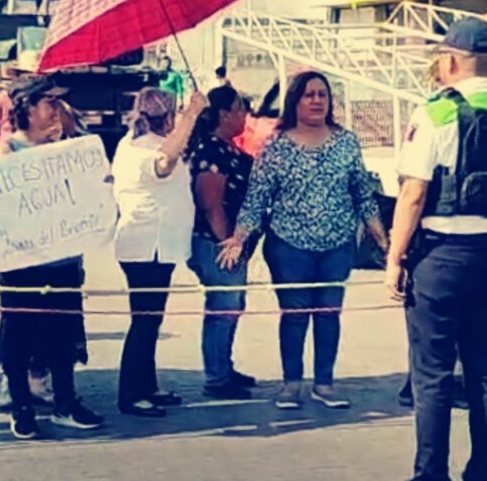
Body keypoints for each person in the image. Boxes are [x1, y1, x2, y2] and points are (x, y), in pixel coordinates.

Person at [378, 18, 487, 481]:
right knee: (485, 370)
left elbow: (414, 192)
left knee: (432, 376)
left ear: (449, 60)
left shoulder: (437, 112)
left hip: (441, 257)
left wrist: (393, 258)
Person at [221, 71, 387, 411]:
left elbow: (362, 194)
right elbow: (256, 198)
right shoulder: (276, 146)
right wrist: (239, 238)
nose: (316, 101)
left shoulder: (346, 142)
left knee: (328, 313)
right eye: (309, 95)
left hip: (337, 246)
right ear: (295, 101)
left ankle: (324, 384)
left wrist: (381, 236)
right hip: (288, 247)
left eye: (322, 95)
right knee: (295, 314)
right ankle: (291, 384)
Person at [0, 76, 104, 439]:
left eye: (59, 102)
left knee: (64, 333)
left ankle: (65, 402)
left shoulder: (69, 151)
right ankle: (22, 406)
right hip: (21, 263)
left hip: (63, 260)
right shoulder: (7, 154)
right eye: (49, 102)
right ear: (28, 107)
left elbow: (89, 191)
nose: (56, 109)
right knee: (19, 334)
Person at [111, 87, 207, 418]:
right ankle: (130, 394)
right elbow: (165, 164)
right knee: (144, 321)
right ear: (167, 117)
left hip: (156, 246)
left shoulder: (134, 142)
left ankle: (147, 384)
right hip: (146, 245)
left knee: (151, 319)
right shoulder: (143, 150)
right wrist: (193, 114)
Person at [188, 85, 257, 399]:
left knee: (232, 306)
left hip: (230, 241)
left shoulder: (225, 147)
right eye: (241, 107)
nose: (246, 114)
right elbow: (210, 201)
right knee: (223, 307)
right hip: (215, 242)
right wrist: (228, 242)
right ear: (224, 113)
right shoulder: (212, 150)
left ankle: (223, 367)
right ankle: (216, 377)